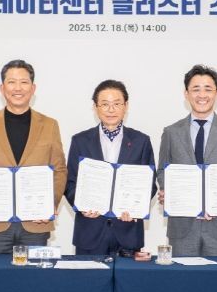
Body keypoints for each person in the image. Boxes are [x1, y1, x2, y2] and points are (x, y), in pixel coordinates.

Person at [0, 60, 67, 254]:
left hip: (36, 222)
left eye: (24, 82)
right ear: (2, 88)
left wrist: (50, 204)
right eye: (12, 82)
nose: (18, 88)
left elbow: (59, 169)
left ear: (33, 88)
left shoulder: (50, 125)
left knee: (33, 273)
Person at [157, 64, 217, 256]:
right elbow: (163, 171)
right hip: (182, 228)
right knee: (182, 275)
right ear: (186, 94)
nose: (202, 95)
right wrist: (170, 191)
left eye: (208, 89)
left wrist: (215, 204)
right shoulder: (171, 132)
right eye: (195, 89)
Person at [64, 80, 157, 256]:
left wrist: (135, 208)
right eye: (105, 104)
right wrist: (83, 206)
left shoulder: (141, 141)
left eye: (117, 104)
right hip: (90, 232)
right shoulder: (80, 141)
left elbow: (150, 185)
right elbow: (70, 183)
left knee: (127, 275)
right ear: (95, 107)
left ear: (126, 106)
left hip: (128, 231)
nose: (111, 110)